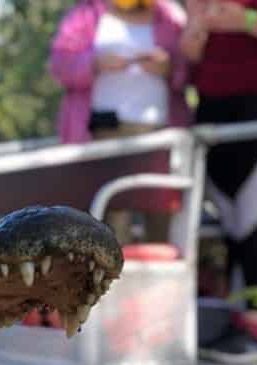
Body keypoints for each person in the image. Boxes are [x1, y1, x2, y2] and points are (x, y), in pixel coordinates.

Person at [179, 0, 257, 361]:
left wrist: (246, 20)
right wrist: (195, 32)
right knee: (232, 217)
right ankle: (237, 322)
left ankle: (256, 329)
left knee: (256, 211)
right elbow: (190, 52)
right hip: (214, 101)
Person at [49, 0, 191, 244]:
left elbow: (191, 67)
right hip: (104, 135)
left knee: (162, 218)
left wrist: (169, 67)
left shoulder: (169, 16)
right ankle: (108, 278)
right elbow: (59, 64)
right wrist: (94, 62)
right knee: (110, 221)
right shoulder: (86, 13)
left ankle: (159, 279)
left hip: (159, 136)